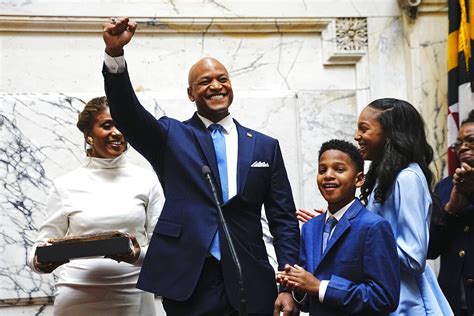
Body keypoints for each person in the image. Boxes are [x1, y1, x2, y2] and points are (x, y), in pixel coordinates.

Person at [101, 17, 300, 315]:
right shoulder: (171, 136)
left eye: (222, 79)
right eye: (204, 82)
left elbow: (283, 220)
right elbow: (128, 115)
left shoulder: (264, 146)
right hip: (190, 282)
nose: (216, 86)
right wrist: (115, 55)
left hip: (252, 278)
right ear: (191, 94)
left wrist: (288, 287)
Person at [28, 96, 164, 316]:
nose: (117, 132)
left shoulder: (147, 181)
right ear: (88, 134)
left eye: (122, 124)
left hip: (134, 296)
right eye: (107, 125)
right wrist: (40, 261)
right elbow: (39, 247)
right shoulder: (65, 185)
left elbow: (163, 248)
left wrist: (136, 255)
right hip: (77, 298)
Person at [277, 139, 400, 315]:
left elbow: (384, 297)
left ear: (358, 180)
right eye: (322, 170)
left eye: (339, 169)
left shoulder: (374, 227)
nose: (328, 175)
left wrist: (320, 287)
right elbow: (308, 300)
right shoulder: (310, 229)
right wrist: (297, 286)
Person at [354, 98, 452, 315]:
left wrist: (358, 241)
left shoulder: (407, 178)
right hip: (386, 296)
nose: (356, 136)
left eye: (364, 129)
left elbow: (414, 257)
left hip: (406, 304)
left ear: (390, 133)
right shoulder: (385, 177)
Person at [427, 109, 474, 316]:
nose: (463, 147)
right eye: (459, 143)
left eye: (470, 140)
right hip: (452, 302)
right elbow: (430, 250)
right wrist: (450, 209)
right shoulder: (445, 188)